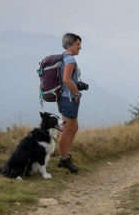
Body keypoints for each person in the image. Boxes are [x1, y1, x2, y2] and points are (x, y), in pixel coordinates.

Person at [57, 33, 83, 173]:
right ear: (69, 45)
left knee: (74, 127)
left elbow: (68, 79)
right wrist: (77, 92)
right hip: (69, 99)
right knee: (67, 130)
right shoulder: (70, 59)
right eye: (77, 44)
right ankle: (63, 159)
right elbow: (66, 80)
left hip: (67, 98)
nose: (80, 47)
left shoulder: (64, 57)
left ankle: (66, 154)